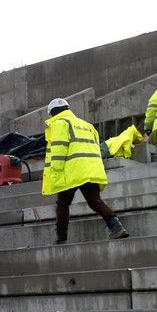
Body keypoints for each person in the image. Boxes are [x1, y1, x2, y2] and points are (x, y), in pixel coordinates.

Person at [41, 98, 129, 245]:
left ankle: (61, 239)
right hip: (92, 168)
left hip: (73, 170)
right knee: (95, 202)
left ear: (53, 112)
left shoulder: (60, 123)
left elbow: (59, 148)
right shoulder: (88, 125)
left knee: (62, 204)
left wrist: (55, 171)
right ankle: (116, 227)